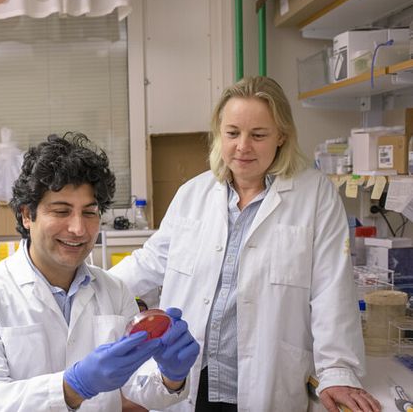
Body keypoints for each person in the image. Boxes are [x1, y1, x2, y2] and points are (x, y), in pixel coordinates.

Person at [109, 76, 380, 412]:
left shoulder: (314, 195)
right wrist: (89, 288)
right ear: (219, 133)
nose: (243, 146)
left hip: (265, 379)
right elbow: (149, 262)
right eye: (233, 133)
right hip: (191, 379)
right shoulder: (193, 194)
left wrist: (338, 370)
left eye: (258, 135)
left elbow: (331, 288)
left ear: (281, 135)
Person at [0, 132, 200, 412]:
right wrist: (72, 387)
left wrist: (171, 377)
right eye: (61, 211)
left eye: (90, 212)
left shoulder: (115, 291)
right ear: (26, 214)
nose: (79, 229)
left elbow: (138, 386)